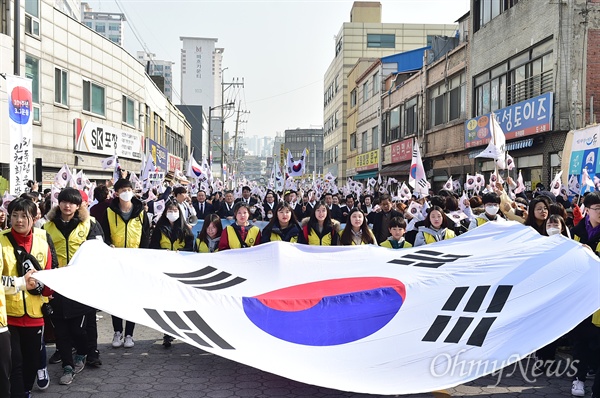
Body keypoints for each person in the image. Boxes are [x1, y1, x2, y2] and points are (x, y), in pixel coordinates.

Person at [43, 187, 105, 385]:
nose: (67, 205)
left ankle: (84, 352)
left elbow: (98, 252)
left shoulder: (90, 224)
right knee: (60, 328)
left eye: (72, 202)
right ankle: (67, 365)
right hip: (57, 283)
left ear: (79, 205)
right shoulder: (47, 227)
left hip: (82, 284)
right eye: (63, 201)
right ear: (58, 203)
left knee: (80, 328)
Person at [0, 198, 55, 398]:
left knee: (32, 361)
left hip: (35, 313)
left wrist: (49, 289)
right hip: (8, 315)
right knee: (15, 362)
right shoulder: (1, 240)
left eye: (24, 216)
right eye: (15, 215)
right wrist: (20, 282)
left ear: (34, 218)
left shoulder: (43, 239)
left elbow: (49, 271)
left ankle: (26, 390)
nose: (19, 220)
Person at [100, 178, 151, 349]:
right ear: (116, 193)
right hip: (115, 261)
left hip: (134, 262)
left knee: (132, 299)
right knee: (116, 298)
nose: (126, 193)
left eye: (129, 189)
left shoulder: (141, 212)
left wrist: (143, 258)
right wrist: (108, 244)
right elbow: (104, 234)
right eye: (122, 190)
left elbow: (145, 237)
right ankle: (117, 332)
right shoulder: (109, 212)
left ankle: (129, 334)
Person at [149, 200, 193, 348]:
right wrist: (163, 254)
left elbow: (190, 248)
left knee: (179, 301)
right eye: (170, 210)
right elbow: (153, 247)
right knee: (165, 302)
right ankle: (167, 333)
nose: (172, 213)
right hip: (164, 270)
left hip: (180, 271)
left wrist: (181, 253)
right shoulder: (159, 229)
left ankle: (180, 330)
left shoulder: (186, 230)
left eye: (175, 210)